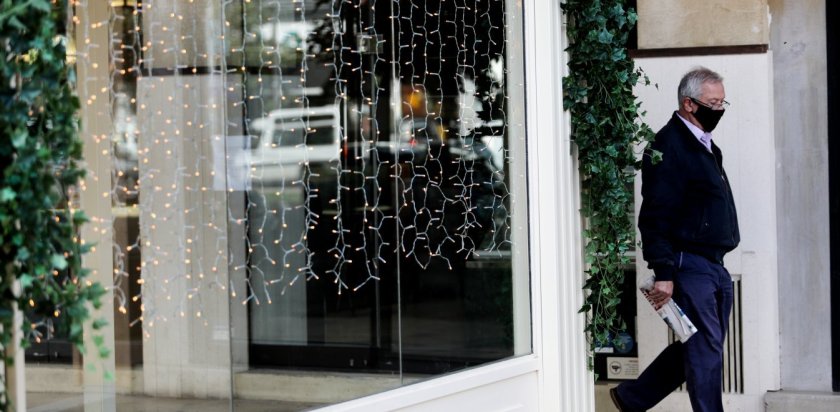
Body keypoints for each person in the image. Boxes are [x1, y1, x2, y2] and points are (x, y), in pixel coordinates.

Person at [610, 67, 740, 412]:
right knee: (706, 351)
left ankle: (632, 398)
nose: (719, 109)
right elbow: (654, 215)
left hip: (713, 264)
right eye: (713, 103)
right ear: (689, 103)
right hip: (689, 263)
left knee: (699, 345)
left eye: (722, 102)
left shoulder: (704, 144)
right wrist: (664, 272)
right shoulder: (668, 146)